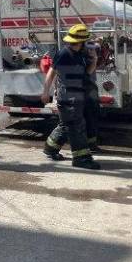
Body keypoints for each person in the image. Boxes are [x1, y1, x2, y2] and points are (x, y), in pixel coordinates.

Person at [41, 24, 101, 170]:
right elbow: (51, 72)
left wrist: (94, 60)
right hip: (68, 98)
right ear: (80, 41)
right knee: (76, 126)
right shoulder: (64, 54)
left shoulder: (81, 54)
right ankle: (81, 158)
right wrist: (45, 91)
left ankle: (50, 148)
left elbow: (87, 72)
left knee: (66, 124)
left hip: (78, 95)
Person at [84, 40, 101, 152]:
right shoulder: (85, 58)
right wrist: (94, 59)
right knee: (90, 117)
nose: (91, 50)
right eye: (89, 49)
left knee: (91, 117)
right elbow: (88, 73)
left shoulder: (79, 53)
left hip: (88, 89)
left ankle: (91, 144)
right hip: (87, 90)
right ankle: (91, 145)